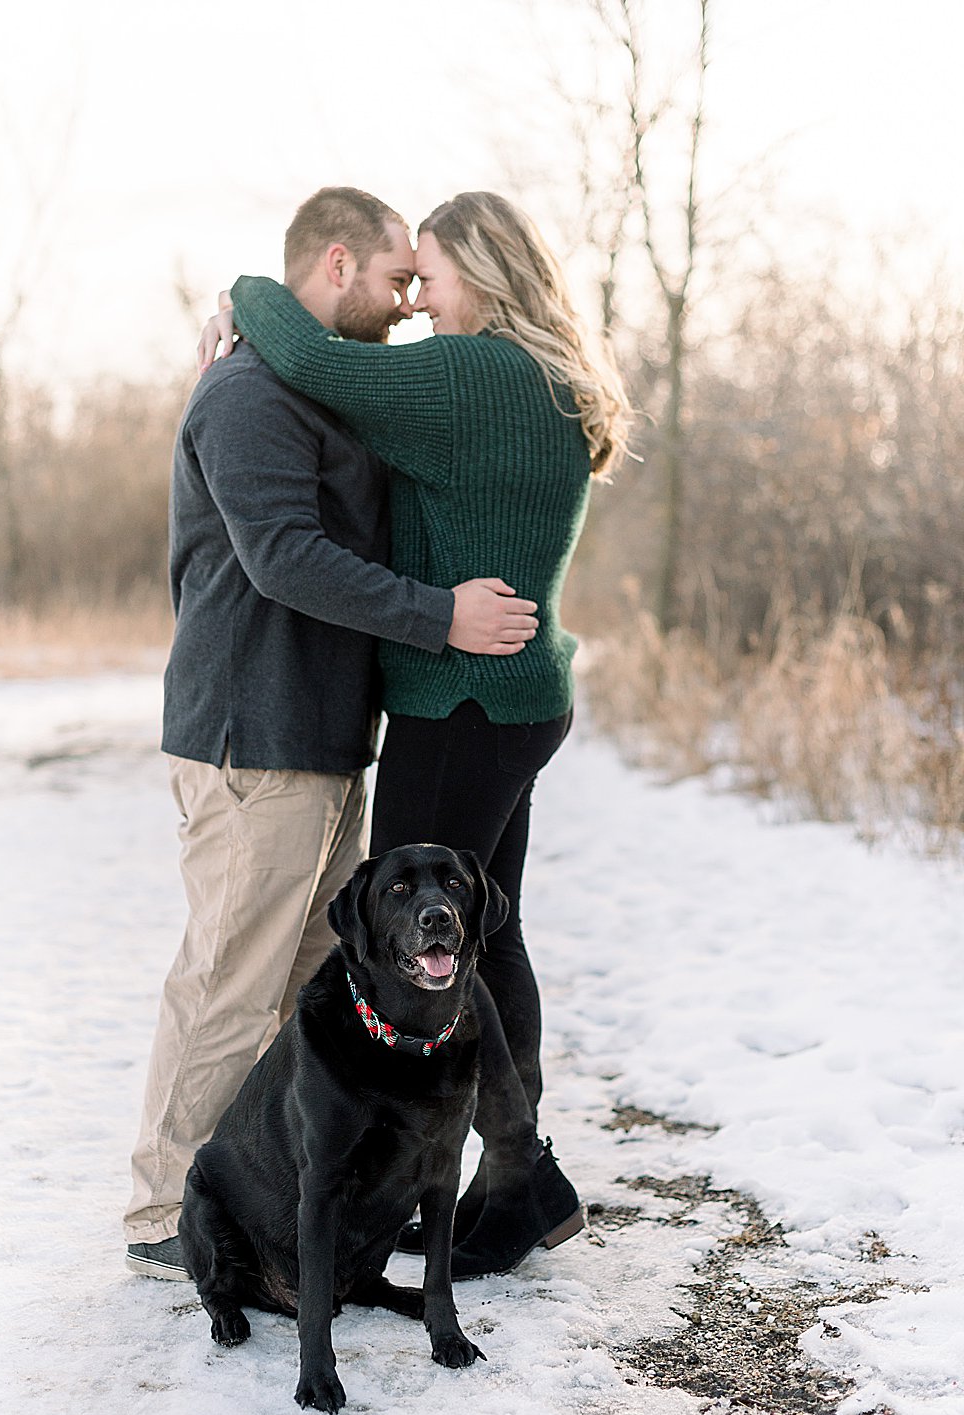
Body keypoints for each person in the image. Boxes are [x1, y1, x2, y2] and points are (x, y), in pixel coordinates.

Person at [207, 188, 634, 1277]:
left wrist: (239, 292)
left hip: (458, 705)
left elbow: (315, 360)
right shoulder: (547, 379)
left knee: (429, 947)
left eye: (426, 277)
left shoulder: (472, 373)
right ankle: (511, 1185)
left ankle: (515, 1179)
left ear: (480, 276)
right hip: (513, 698)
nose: (413, 303)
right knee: (493, 935)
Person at [125, 187, 542, 1281]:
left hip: (317, 741)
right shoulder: (248, 394)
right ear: (340, 264)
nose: (410, 302)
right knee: (227, 982)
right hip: (249, 737)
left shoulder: (312, 385)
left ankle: (262, 1198)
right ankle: (165, 1209)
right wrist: (437, 613)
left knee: (307, 982)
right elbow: (283, 559)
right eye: (400, 279)